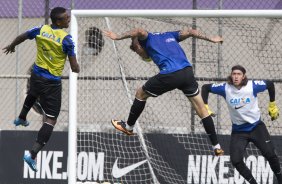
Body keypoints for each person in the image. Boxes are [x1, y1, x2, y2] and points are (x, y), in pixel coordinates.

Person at [104, 28, 224, 156]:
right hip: (187, 72)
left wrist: (118, 36)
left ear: (139, 45)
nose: (140, 54)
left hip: (170, 73)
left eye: (138, 51)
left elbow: (138, 31)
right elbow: (191, 31)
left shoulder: (146, 37)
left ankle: (128, 127)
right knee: (202, 110)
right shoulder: (170, 35)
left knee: (140, 94)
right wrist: (211, 38)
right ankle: (216, 146)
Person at [3, 7, 80, 172]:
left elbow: (22, 36)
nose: (68, 19)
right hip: (52, 83)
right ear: (58, 21)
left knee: (33, 93)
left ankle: (21, 118)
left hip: (36, 74)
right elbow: (74, 68)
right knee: (51, 120)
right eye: (66, 18)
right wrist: (77, 66)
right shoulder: (67, 40)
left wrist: (12, 45)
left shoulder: (41, 30)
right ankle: (32, 155)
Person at [201, 65, 282, 184]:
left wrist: (272, 104)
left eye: (238, 74)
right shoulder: (225, 88)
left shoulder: (252, 86)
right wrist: (205, 107)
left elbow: (270, 84)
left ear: (243, 76)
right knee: (236, 160)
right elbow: (205, 88)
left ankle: (280, 179)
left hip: (256, 127)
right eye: (234, 74)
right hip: (239, 131)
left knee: (271, 155)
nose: (235, 76)